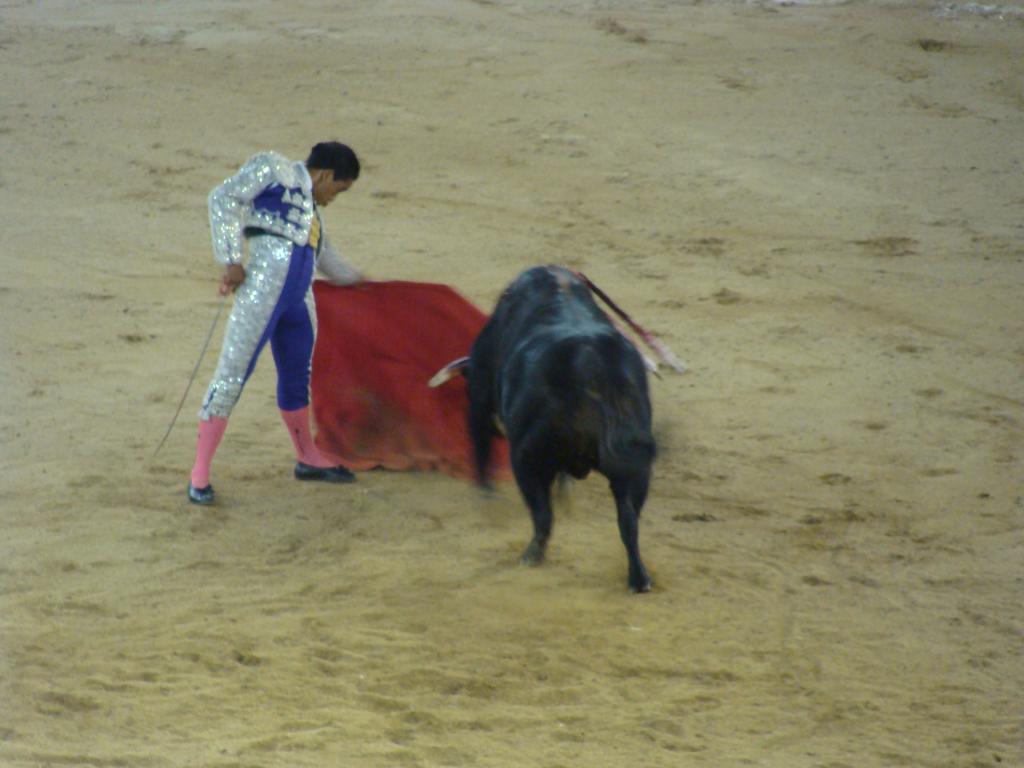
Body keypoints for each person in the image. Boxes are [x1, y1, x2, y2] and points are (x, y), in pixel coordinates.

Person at [187, 141, 363, 505]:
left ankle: (307, 458)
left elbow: (325, 257)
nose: (334, 197)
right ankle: (199, 474)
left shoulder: (313, 214)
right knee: (232, 374)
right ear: (326, 175)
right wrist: (231, 259)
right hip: (260, 296)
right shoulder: (274, 169)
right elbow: (222, 198)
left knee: (297, 376)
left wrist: (366, 284)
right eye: (338, 189)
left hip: (299, 303)